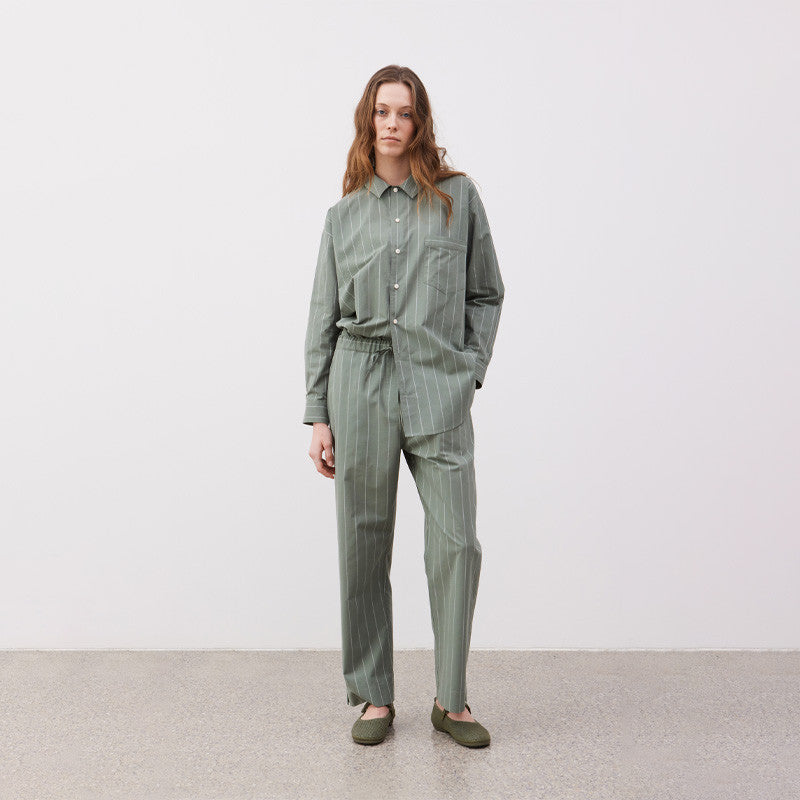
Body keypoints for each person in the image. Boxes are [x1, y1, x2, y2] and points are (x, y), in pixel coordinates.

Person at [302, 65, 504, 748]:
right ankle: (374, 696)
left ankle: (452, 700)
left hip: (438, 384)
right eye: (382, 111)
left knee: (457, 542)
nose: (393, 123)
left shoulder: (457, 198)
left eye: (405, 112)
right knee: (363, 540)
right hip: (358, 381)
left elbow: (486, 292)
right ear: (369, 120)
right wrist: (318, 413)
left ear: (420, 123)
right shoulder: (343, 217)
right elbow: (322, 319)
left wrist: (469, 370)